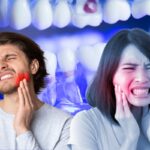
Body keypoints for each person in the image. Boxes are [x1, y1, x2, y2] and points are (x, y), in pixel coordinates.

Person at [68, 28, 150, 150]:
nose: (142, 78)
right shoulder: (86, 123)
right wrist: (131, 138)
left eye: (149, 67)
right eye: (129, 68)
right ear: (110, 75)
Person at [0, 32, 71, 150]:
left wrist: (22, 130)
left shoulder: (64, 124)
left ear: (33, 66)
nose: (1, 65)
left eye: (11, 58)